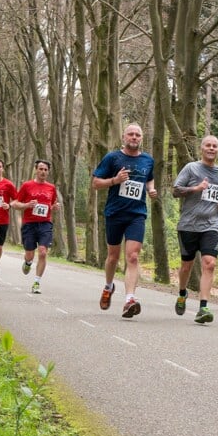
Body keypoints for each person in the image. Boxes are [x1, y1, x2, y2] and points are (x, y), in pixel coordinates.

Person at [91, 123, 157, 318]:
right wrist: (114, 180)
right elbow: (95, 183)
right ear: (124, 137)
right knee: (113, 256)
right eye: (131, 134)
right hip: (115, 213)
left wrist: (150, 189)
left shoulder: (147, 160)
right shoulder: (112, 158)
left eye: (138, 135)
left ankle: (129, 299)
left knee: (133, 256)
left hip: (137, 214)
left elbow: (149, 179)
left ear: (141, 138)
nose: (134, 137)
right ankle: (108, 286)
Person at [172, 135, 218, 324]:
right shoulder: (191, 168)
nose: (211, 148)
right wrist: (196, 188)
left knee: (209, 263)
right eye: (208, 145)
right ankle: (182, 293)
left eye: (215, 146)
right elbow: (175, 191)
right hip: (188, 225)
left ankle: (203, 307)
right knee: (186, 265)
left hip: (211, 225)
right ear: (201, 148)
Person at [13, 160, 60, 294]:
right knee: (29, 254)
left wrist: (54, 207)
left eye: (45, 170)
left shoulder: (51, 188)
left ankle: (36, 282)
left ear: (48, 172)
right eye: (41, 169)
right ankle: (28, 263)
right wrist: (27, 205)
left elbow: (50, 205)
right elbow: (15, 203)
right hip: (29, 224)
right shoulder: (27, 186)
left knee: (43, 252)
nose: (43, 172)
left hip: (45, 224)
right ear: (36, 170)